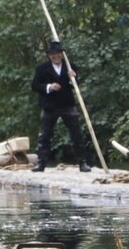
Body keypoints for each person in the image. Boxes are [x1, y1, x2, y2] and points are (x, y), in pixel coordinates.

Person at [31, 40, 94, 172]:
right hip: (49, 106)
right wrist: (49, 87)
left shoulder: (70, 66)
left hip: (67, 105)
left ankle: (82, 162)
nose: (55, 56)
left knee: (76, 134)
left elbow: (74, 86)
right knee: (45, 135)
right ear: (49, 55)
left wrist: (73, 78)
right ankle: (41, 163)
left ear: (62, 54)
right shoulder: (42, 68)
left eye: (58, 53)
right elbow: (35, 85)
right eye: (52, 54)